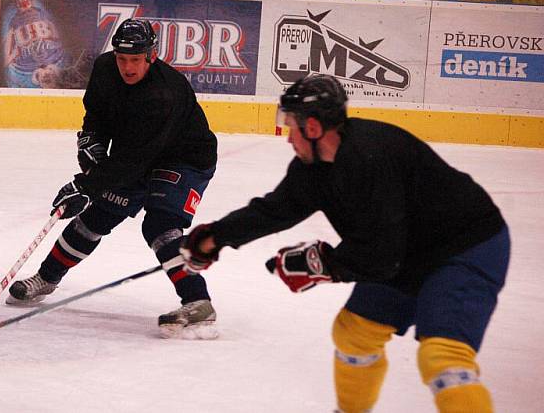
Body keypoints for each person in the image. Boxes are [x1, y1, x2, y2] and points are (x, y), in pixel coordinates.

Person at [181, 74, 509, 413]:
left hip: (465, 247)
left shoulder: (372, 157)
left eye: (290, 124)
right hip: (407, 251)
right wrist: (215, 237)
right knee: (354, 333)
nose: (287, 136)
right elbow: (277, 210)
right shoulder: (314, 166)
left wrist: (327, 264)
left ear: (312, 127)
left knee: (442, 357)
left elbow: (382, 254)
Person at [6, 18, 220, 339]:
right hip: (136, 156)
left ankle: (198, 302)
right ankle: (46, 278)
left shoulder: (164, 94)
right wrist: (89, 146)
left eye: (135, 60)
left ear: (151, 56)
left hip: (184, 159)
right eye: (122, 58)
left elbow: (135, 159)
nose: (127, 67)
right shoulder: (105, 69)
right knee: (96, 217)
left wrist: (86, 185)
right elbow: (97, 116)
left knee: (160, 226)